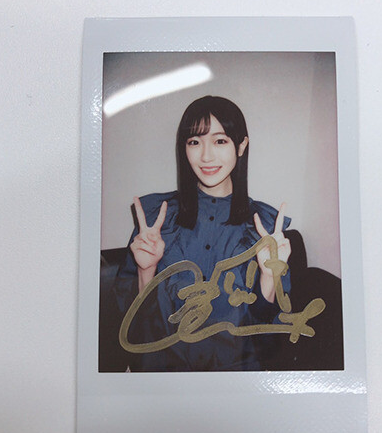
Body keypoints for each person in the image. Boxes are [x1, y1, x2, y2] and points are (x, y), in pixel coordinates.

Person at [115, 96, 293, 372]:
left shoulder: (265, 228)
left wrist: (269, 279)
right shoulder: (156, 220)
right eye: (194, 142)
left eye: (220, 141)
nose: (206, 156)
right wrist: (146, 271)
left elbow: (269, 346)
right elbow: (134, 338)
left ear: (241, 146)